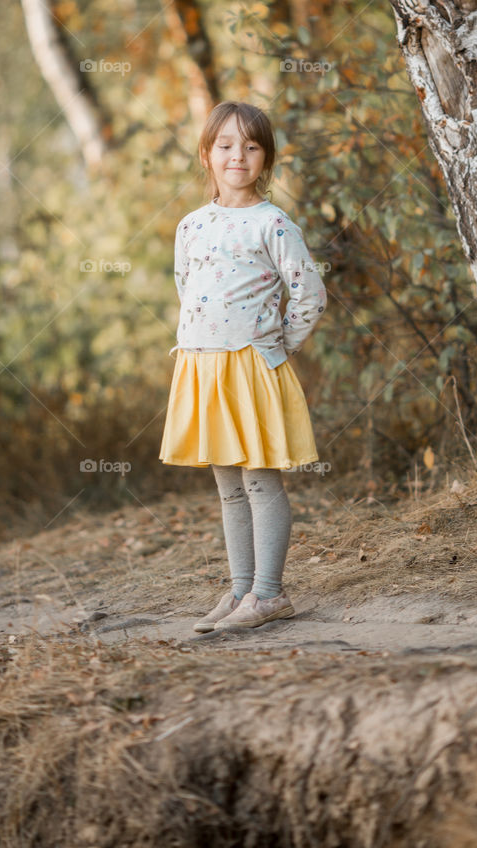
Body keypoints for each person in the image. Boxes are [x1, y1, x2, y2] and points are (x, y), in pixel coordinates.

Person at [159, 100, 327, 632]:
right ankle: (239, 593)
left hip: (253, 368)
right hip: (203, 368)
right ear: (207, 155)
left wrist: (277, 350)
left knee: (260, 482)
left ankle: (270, 594)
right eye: (226, 146)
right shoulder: (191, 225)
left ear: (266, 158)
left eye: (251, 146)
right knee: (228, 486)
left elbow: (310, 296)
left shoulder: (272, 223)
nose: (238, 156)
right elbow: (189, 289)